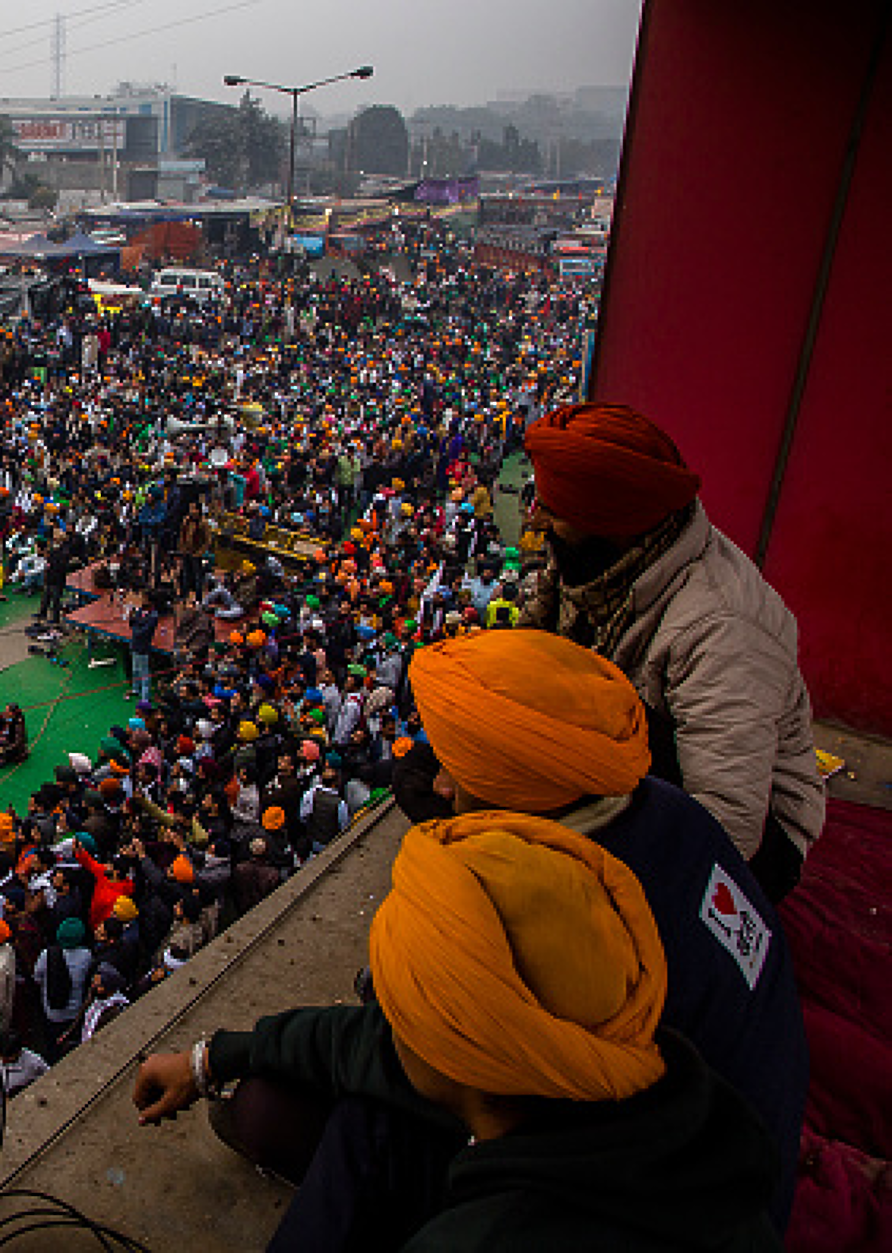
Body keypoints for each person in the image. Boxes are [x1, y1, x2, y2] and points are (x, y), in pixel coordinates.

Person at [132, 813, 781, 1253]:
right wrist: (208, 1059)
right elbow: (366, 1043)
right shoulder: (599, 1070)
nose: (380, 1012)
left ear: (458, 1049)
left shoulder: (486, 1237)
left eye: (403, 1006)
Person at [401, 626, 807, 1228]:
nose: (440, 786)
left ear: (523, 782)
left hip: (683, 1208)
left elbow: (466, 1078)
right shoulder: (672, 808)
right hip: (752, 1135)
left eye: (459, 767)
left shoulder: (576, 909)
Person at [521, 402, 823, 899]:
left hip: (749, 842)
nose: (538, 520)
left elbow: (729, 827)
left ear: (609, 522)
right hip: (625, 770)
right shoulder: (592, 560)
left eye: (554, 510)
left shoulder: (722, 626)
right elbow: (532, 648)